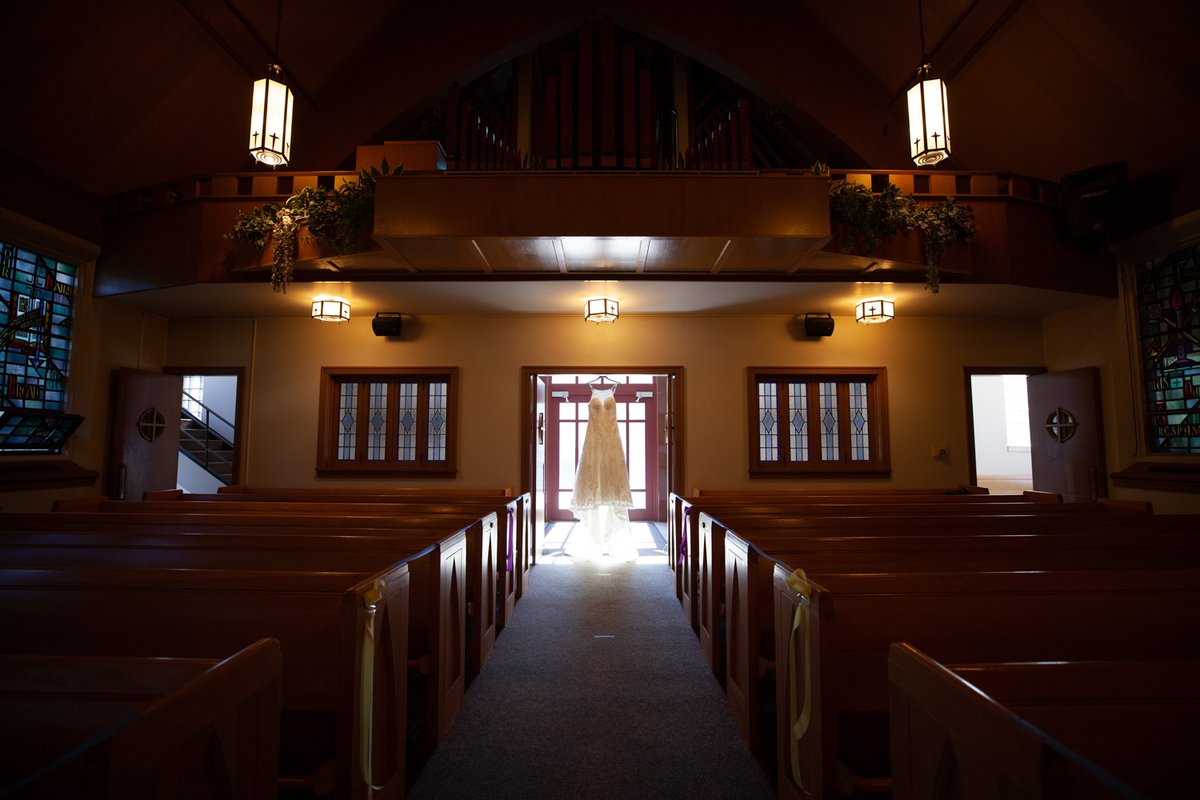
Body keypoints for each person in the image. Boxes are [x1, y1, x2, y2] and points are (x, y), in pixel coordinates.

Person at [568, 384, 638, 561]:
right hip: (592, 443)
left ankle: (613, 542)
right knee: (593, 486)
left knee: (611, 487)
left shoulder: (613, 391)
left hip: (612, 443)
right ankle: (593, 542)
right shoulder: (592, 391)